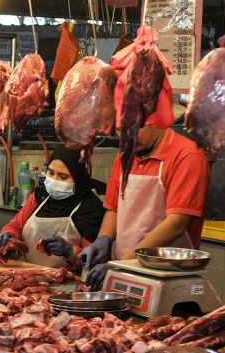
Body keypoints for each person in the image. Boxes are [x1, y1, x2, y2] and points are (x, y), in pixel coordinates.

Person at [79, 123, 210, 288]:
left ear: (158, 119)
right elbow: (114, 208)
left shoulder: (188, 155)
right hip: (124, 269)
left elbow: (176, 224)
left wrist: (121, 264)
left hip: (170, 276)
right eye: (120, 130)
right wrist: (103, 239)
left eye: (135, 129)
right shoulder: (125, 154)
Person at [0, 147, 106, 268]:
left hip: (71, 283)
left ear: (79, 178)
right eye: (51, 173)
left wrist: (70, 252)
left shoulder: (90, 209)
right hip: (31, 278)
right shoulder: (40, 196)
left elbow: (97, 262)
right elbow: (16, 226)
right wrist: (8, 234)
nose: (54, 181)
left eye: (63, 177)